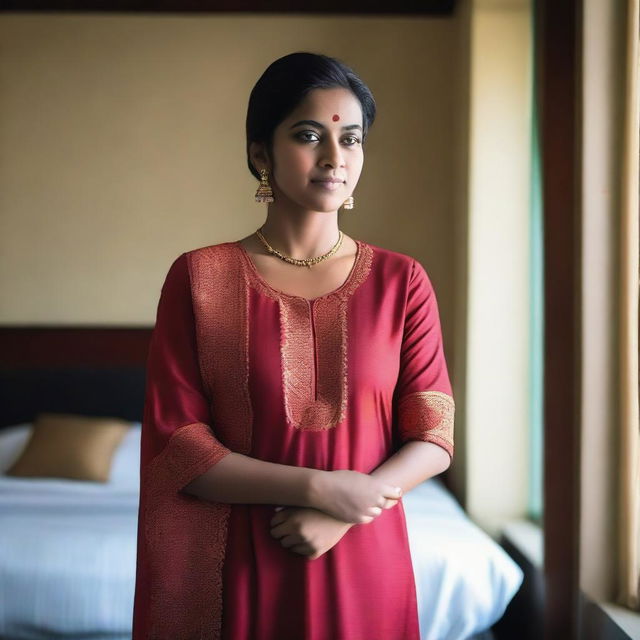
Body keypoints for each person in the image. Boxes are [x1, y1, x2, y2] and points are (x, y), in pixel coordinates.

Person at [131, 51, 455, 640]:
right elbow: (179, 445)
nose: (336, 157)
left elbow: (433, 435)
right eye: (309, 135)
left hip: (366, 549)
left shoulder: (402, 281)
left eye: (351, 139)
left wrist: (346, 512)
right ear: (261, 154)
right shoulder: (200, 278)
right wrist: (319, 488)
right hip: (243, 558)